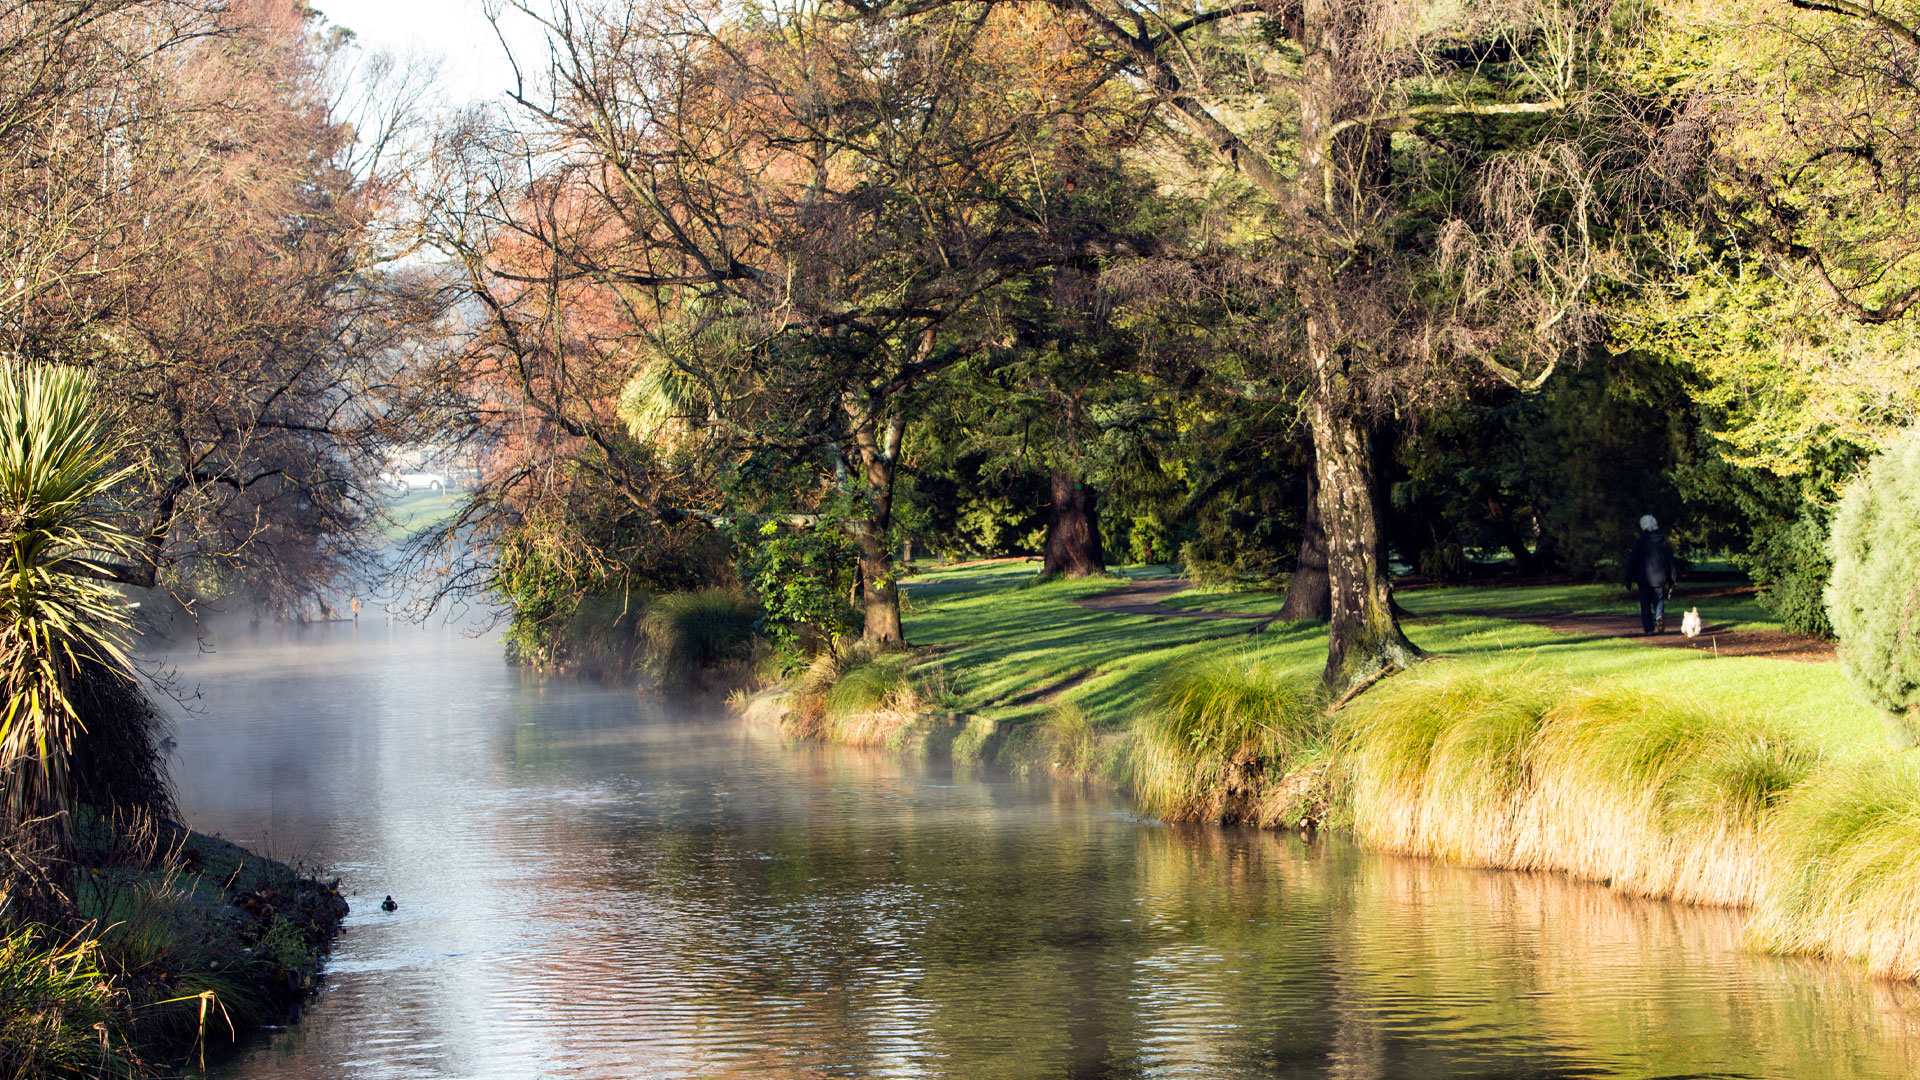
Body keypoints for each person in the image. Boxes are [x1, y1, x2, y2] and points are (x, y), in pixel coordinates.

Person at [1625, 514, 1678, 634]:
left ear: (1643, 527)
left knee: (1645, 604)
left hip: (1644, 578)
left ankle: (1649, 629)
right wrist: (1673, 579)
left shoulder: (1638, 543)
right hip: (1660, 577)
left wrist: (1627, 578)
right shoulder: (1663, 542)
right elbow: (1671, 561)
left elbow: (1631, 561)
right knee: (1659, 599)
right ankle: (1659, 616)